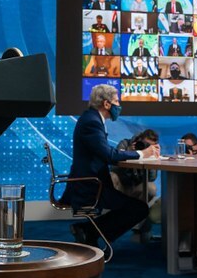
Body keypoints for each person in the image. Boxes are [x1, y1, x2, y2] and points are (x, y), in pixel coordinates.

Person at [65, 85, 158, 248]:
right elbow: (110, 156)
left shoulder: (91, 119)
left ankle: (89, 231)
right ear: (107, 104)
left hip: (93, 183)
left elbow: (106, 152)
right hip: (89, 186)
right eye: (116, 101)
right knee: (139, 209)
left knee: (135, 207)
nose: (119, 106)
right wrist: (143, 153)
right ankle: (90, 231)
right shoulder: (91, 122)